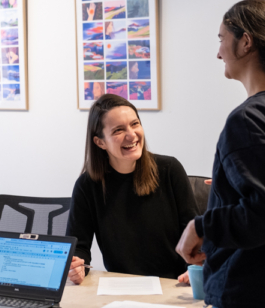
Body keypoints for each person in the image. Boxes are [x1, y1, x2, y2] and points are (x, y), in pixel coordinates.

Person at [176, 0, 265, 308]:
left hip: (252, 300)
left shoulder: (248, 119)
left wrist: (201, 227)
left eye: (221, 39)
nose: (219, 52)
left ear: (245, 41)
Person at [67, 94, 199, 285]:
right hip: (122, 287)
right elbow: (78, 247)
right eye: (119, 130)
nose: (132, 135)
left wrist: (194, 269)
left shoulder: (169, 170)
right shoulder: (87, 185)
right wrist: (77, 267)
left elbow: (195, 234)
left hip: (175, 284)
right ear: (100, 142)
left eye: (135, 124)